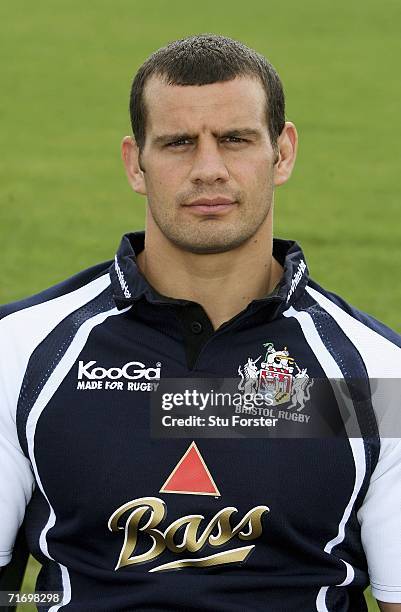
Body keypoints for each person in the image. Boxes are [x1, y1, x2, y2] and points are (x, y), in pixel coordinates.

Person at [0, 33, 400, 612]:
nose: (208, 169)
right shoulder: (21, 354)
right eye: (179, 143)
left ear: (282, 153)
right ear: (135, 163)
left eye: (235, 139)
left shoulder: (374, 378)